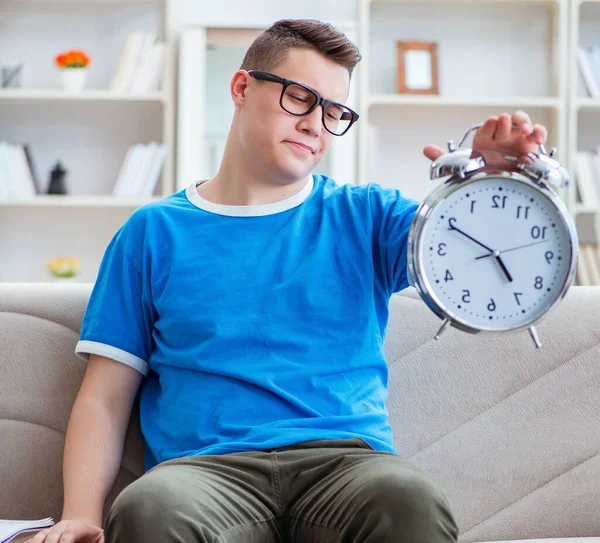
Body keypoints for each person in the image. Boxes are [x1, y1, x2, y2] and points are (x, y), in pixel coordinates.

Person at [28, 18, 548, 543]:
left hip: (346, 465)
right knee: (148, 507)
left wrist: (486, 183)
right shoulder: (152, 233)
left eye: (334, 111)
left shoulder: (368, 215)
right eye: (300, 98)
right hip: (204, 473)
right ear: (241, 88)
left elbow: (485, 264)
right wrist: (82, 515)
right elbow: (105, 396)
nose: (315, 124)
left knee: (411, 499)